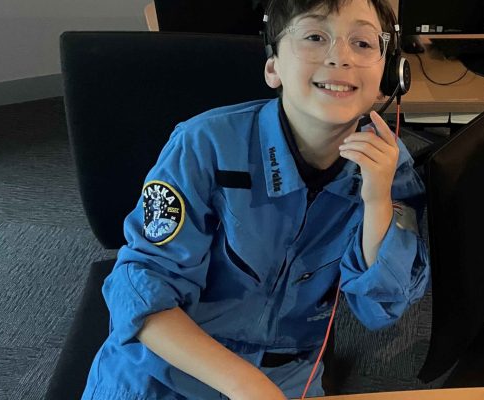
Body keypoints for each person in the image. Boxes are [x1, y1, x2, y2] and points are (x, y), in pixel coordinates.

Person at [82, 0, 429, 398]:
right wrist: (243, 384)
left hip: (287, 374)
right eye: (315, 36)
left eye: (363, 43)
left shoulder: (388, 165)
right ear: (273, 67)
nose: (340, 57)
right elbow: (141, 289)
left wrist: (377, 201)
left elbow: (381, 308)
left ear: (389, 73)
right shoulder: (204, 144)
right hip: (167, 367)